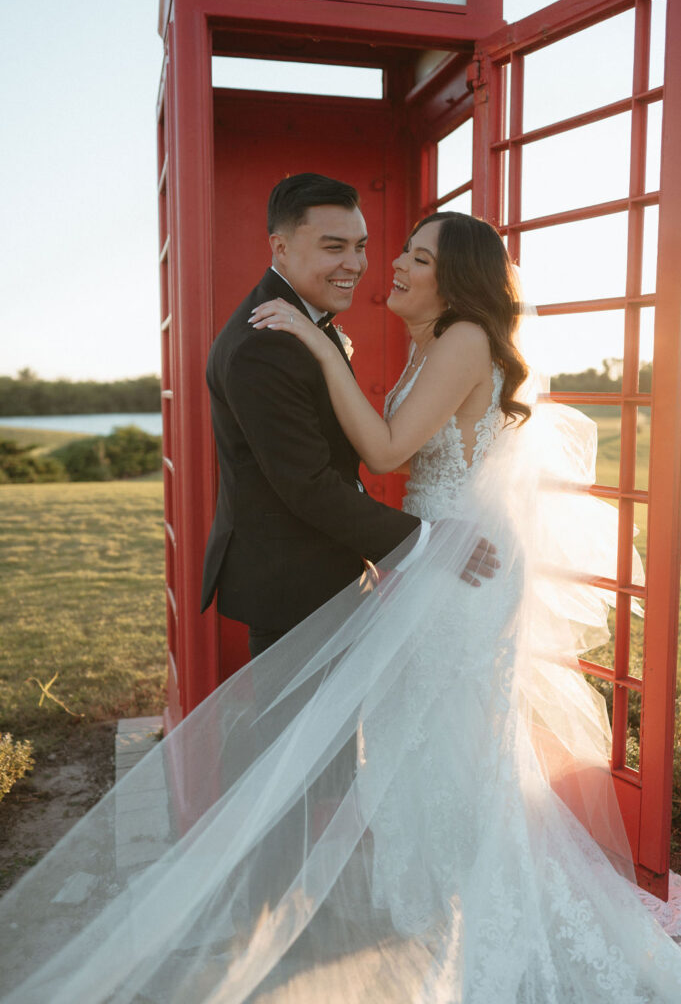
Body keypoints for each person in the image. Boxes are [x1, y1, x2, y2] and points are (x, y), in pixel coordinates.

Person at [2, 213, 680, 1003]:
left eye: (415, 257)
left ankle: (496, 917)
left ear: (454, 280)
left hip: (462, 571)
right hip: (434, 560)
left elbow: (387, 451)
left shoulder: (460, 339)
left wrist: (320, 346)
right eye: (395, 250)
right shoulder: (439, 340)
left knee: (458, 751)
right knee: (428, 744)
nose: (389, 264)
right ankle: (449, 907)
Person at [201, 173, 495, 659]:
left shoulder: (303, 324)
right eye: (334, 247)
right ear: (280, 246)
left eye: (360, 246)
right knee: (298, 735)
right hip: (295, 587)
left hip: (334, 572)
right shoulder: (269, 342)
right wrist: (425, 541)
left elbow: (365, 453)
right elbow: (309, 485)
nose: (356, 264)